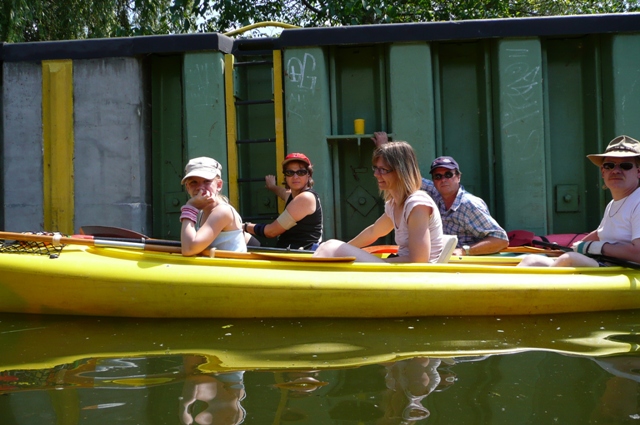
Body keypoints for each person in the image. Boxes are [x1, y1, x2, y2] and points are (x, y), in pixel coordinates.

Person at [372, 132, 509, 256]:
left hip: (465, 263)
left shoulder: (470, 204)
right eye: (438, 176)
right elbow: (405, 175)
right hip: (438, 260)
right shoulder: (434, 192)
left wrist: (465, 250)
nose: (443, 179)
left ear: (458, 177)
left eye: (448, 174)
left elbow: (501, 239)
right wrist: (385, 152)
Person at [518, 135, 640, 267]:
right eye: (609, 165)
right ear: (602, 172)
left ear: (639, 171)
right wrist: (572, 248)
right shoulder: (614, 203)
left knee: (569, 260)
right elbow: (600, 233)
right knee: (531, 260)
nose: (616, 170)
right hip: (608, 269)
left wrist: (595, 248)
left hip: (627, 275)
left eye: (625, 166)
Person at [313, 141, 444, 263]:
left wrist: (376, 264)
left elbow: (419, 260)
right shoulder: (394, 204)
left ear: (401, 172)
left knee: (330, 247)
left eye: (383, 170)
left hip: (415, 277)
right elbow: (374, 232)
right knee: (328, 246)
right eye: (375, 168)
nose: (376, 174)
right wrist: (343, 248)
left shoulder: (417, 204)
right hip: (400, 271)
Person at [244, 153, 323, 250]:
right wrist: (272, 187)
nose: (295, 177)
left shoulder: (305, 198)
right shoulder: (294, 196)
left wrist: (244, 226)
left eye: (301, 172)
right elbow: (283, 192)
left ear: (308, 175)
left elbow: (271, 232)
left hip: (297, 257)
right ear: (285, 176)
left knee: (241, 235)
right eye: (290, 173)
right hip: (287, 253)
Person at [179, 157, 247, 256]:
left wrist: (190, 206)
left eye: (207, 181)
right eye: (194, 182)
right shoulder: (202, 212)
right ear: (187, 187)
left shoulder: (222, 211)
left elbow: (189, 249)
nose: (200, 187)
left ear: (219, 185)